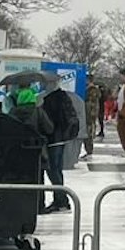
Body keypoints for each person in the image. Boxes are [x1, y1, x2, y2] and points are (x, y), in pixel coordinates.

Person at [39, 85, 79, 213]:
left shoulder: (50, 100)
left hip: (53, 140)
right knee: (57, 170)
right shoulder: (63, 97)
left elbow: (49, 125)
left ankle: (62, 201)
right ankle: (60, 200)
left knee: (53, 171)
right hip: (61, 138)